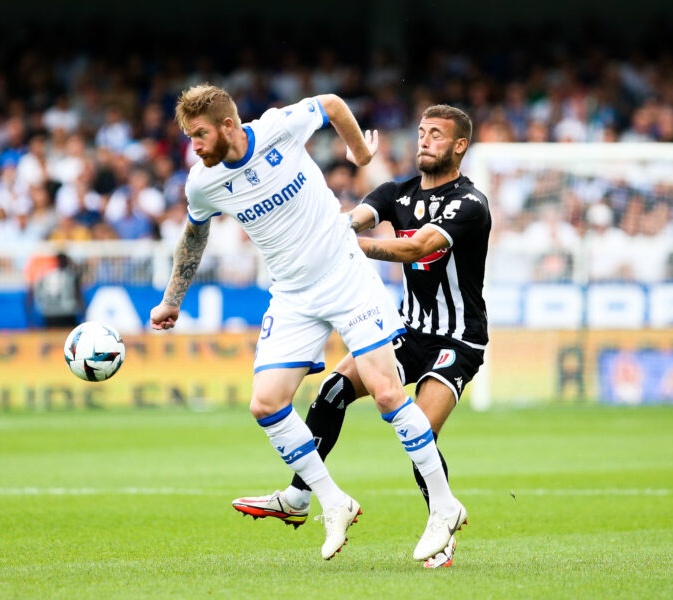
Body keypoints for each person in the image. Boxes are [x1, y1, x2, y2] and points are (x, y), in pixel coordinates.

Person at [150, 85, 465, 562]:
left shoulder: (278, 128)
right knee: (266, 403)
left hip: (345, 274)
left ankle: (444, 505)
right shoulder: (202, 183)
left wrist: (361, 154)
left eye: (199, 135)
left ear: (228, 126)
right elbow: (194, 237)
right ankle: (332, 501)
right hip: (293, 294)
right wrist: (172, 301)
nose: (193, 146)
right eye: (189, 137)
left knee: (385, 392)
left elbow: (333, 104)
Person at [232, 105, 490, 569]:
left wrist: (342, 243)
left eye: (436, 134)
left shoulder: (469, 203)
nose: (424, 140)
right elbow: (349, 220)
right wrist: (327, 228)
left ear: (459, 146)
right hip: (408, 329)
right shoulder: (396, 193)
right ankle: (298, 495)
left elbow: (416, 247)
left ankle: (442, 525)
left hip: (457, 340)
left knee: (420, 427)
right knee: (333, 389)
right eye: (421, 131)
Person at [29, 252, 83, 328]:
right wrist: (83, 311)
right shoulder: (71, 275)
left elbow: (34, 293)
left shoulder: (45, 275)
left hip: (50, 313)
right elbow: (78, 295)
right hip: (67, 313)